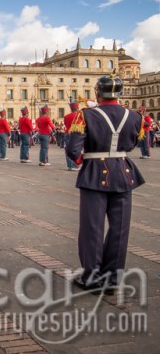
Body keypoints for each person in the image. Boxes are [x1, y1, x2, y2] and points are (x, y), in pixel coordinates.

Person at [66, 73, 145, 294]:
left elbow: (73, 150)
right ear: (120, 94)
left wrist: (85, 160)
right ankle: (112, 278)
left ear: (97, 93)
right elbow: (133, 142)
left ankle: (91, 276)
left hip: (94, 173)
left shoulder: (86, 115)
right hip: (123, 171)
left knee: (92, 227)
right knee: (120, 228)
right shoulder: (135, 116)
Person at [63, 101, 80, 170]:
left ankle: (69, 165)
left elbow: (66, 125)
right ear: (77, 107)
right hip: (75, 133)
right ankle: (74, 165)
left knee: (68, 149)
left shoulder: (66, 116)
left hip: (67, 132)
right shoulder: (79, 115)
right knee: (75, 149)